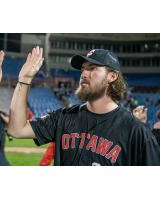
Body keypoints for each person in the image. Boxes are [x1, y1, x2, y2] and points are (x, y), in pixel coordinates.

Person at [8, 46, 160, 166]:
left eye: (93, 68)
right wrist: (24, 79)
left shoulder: (136, 131)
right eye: (83, 69)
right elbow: (16, 129)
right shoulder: (63, 117)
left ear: (112, 77)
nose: (84, 74)